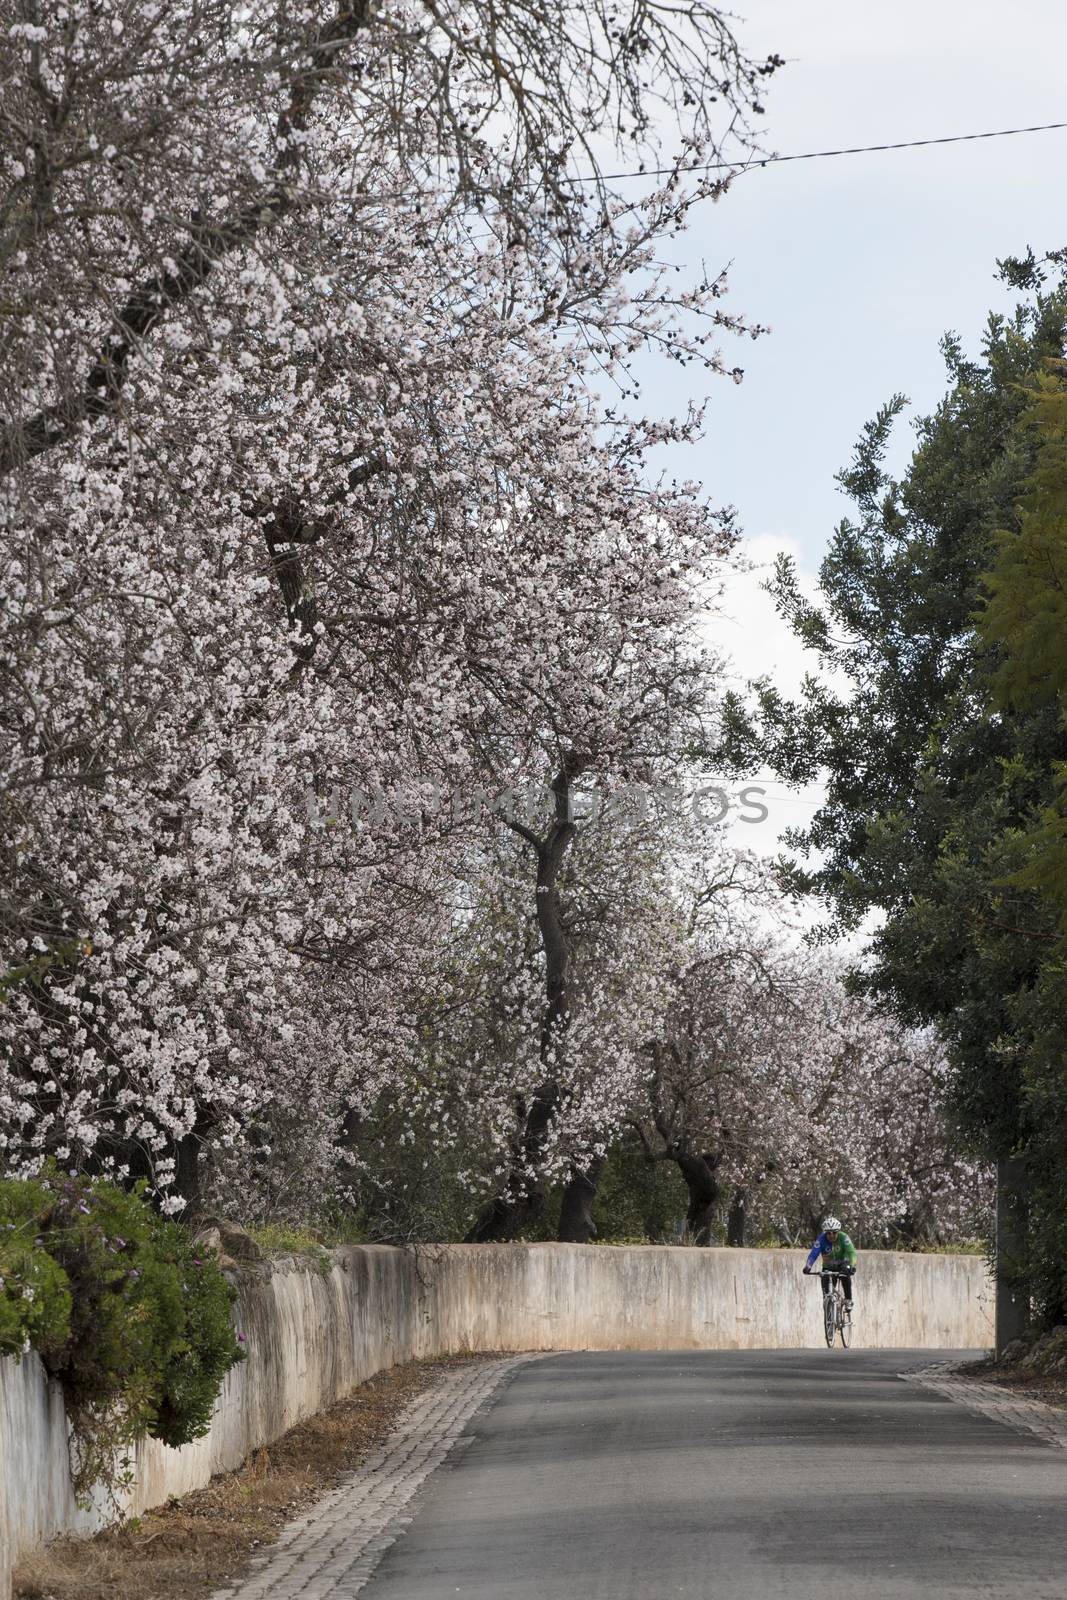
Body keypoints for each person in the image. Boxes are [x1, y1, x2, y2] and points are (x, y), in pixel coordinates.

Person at [803, 1215, 858, 1315]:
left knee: (846, 1276)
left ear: (838, 1232)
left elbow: (852, 1253)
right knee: (826, 1291)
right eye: (828, 1233)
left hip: (842, 1265)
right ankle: (828, 1312)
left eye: (834, 1233)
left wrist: (851, 1265)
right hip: (828, 1267)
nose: (831, 1235)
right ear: (825, 1232)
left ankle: (848, 1300)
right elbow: (814, 1254)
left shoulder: (844, 1237)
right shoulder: (821, 1239)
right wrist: (808, 1266)